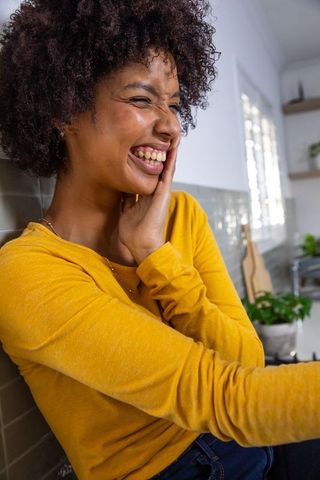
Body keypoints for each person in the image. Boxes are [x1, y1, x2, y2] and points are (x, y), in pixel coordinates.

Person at [0, 1, 319, 479]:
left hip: (249, 442)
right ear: (63, 108)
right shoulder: (27, 273)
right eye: (143, 99)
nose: (171, 125)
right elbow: (227, 396)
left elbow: (246, 361)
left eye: (173, 103)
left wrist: (156, 257)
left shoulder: (181, 218)